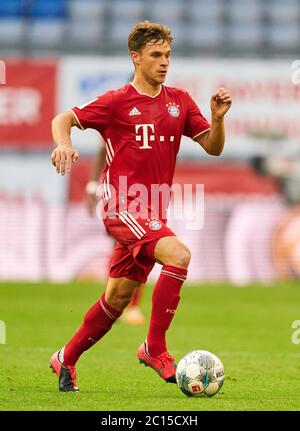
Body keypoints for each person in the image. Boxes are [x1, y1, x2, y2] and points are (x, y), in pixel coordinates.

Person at [50, 20, 232, 392]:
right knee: (179, 254)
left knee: (116, 299)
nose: (164, 62)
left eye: (167, 55)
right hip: (121, 206)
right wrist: (63, 143)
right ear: (136, 57)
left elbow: (213, 147)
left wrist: (216, 119)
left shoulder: (179, 101)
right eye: (155, 55)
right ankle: (154, 347)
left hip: (152, 211)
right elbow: (63, 118)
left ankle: (65, 357)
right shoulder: (117, 101)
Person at [85, 143, 146, 325]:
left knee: (141, 248)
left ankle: (126, 305)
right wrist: (91, 186)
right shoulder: (122, 118)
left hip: (145, 190)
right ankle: (117, 303)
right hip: (118, 191)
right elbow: (103, 148)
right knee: (124, 245)